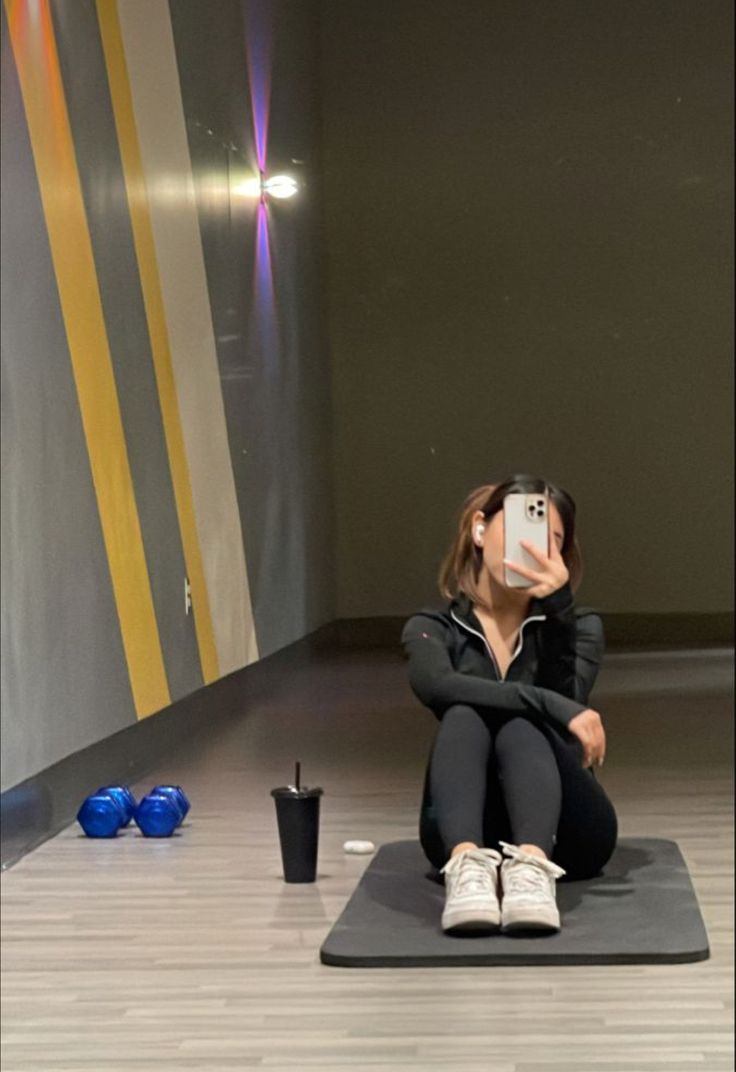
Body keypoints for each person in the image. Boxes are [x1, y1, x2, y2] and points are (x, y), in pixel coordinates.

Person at [401, 474, 618, 935]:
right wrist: (547, 704)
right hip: (466, 829)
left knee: (522, 726)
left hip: (569, 835)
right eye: (522, 529)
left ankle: (532, 870)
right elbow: (437, 686)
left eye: (550, 540)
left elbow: (567, 711)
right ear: (480, 530)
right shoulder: (432, 628)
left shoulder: (581, 626)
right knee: (464, 708)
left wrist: (559, 610)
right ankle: (467, 870)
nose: (533, 547)